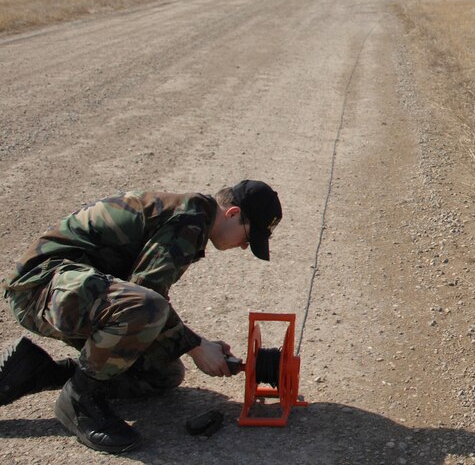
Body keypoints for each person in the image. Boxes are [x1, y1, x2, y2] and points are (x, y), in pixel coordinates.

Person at [0, 180, 282, 453]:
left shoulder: (193, 215)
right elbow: (146, 294)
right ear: (233, 214)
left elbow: (139, 295)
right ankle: (79, 400)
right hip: (38, 288)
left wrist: (196, 344)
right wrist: (196, 347)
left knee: (162, 374)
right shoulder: (190, 220)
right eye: (249, 236)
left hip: (66, 290)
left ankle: (39, 371)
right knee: (148, 307)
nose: (245, 246)